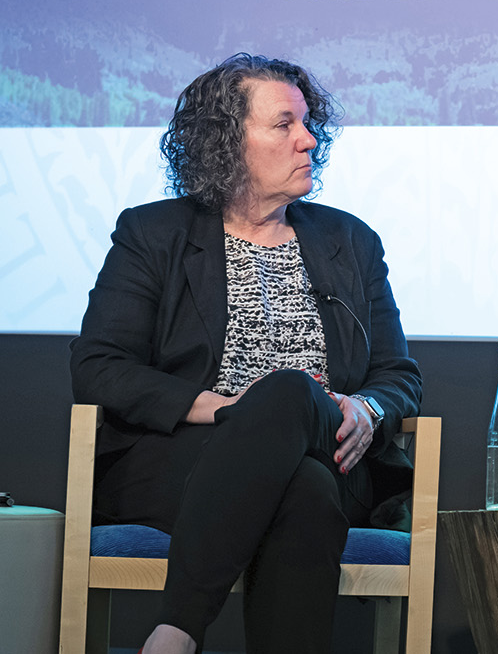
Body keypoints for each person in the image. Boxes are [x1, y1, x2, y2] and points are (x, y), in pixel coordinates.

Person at [70, 54, 422, 654]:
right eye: (284, 124)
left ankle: (177, 630)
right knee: (302, 475)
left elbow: (398, 376)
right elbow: (99, 367)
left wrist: (366, 408)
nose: (309, 140)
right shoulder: (155, 235)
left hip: (334, 452)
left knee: (292, 402)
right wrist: (225, 408)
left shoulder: (349, 241)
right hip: (183, 463)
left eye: (309, 124)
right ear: (226, 142)